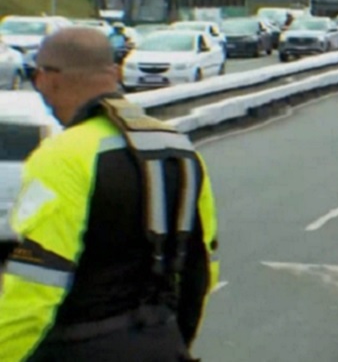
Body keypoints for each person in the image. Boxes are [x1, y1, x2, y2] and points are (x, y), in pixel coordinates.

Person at [0, 28, 220, 361]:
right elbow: (202, 268)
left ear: (48, 78)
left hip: (80, 348)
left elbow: (37, 283)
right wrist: (174, 340)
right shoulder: (180, 151)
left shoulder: (63, 156)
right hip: (162, 343)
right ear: (114, 74)